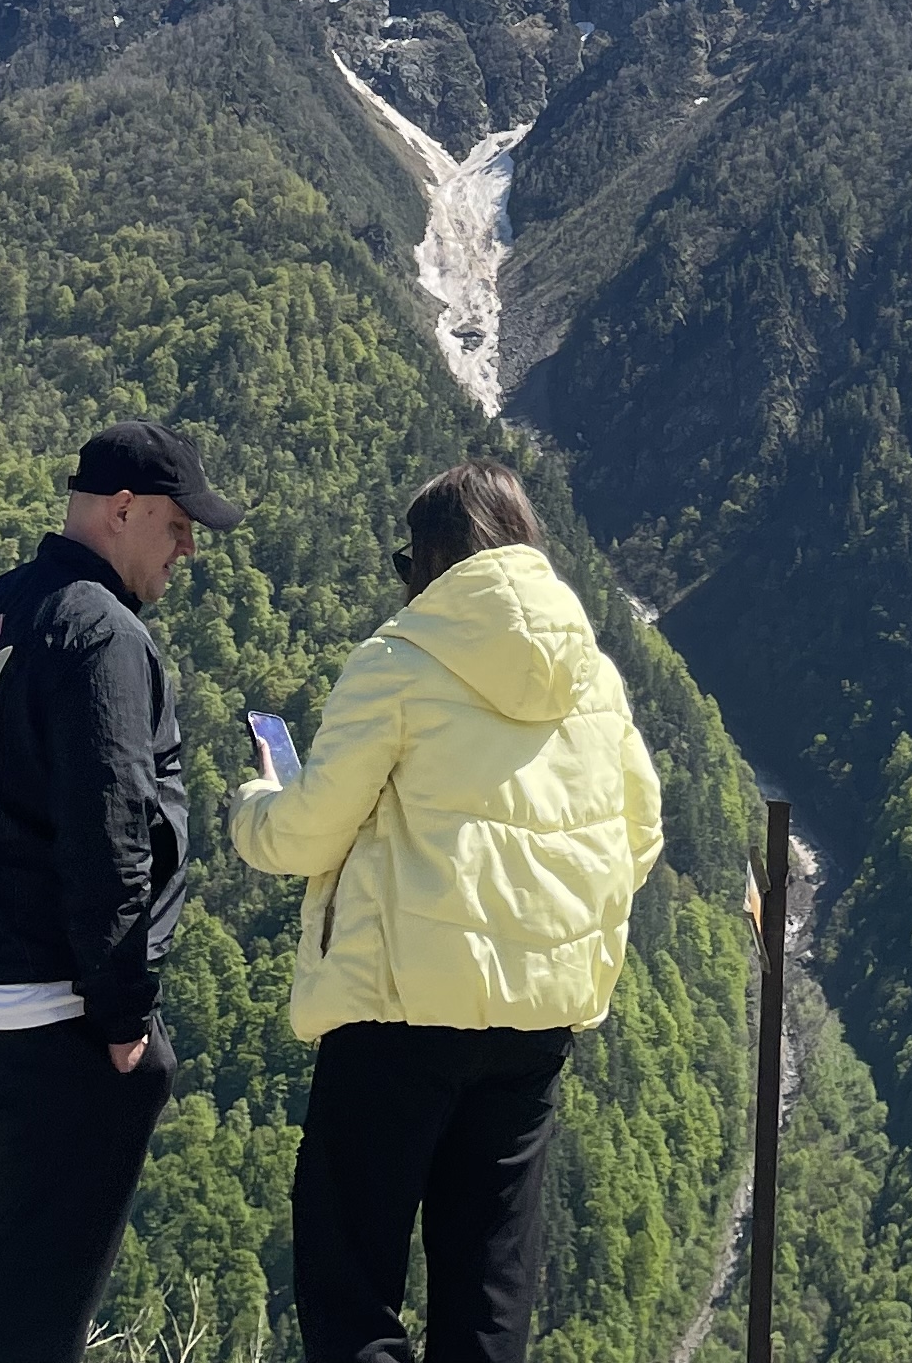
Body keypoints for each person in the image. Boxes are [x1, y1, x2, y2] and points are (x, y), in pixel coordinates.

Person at [233, 464, 665, 1363]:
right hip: (536, 1020)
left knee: (352, 1287)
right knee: (489, 1293)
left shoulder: (399, 661)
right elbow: (643, 834)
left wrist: (252, 805)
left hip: (400, 1012)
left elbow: (309, 836)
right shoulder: (595, 677)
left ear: (431, 559)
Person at [0, 419, 244, 1363]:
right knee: (29, 1313)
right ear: (123, 511)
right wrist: (125, 1014)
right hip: (59, 1015)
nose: (188, 549)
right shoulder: (103, 636)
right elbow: (115, 823)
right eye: (177, 525)